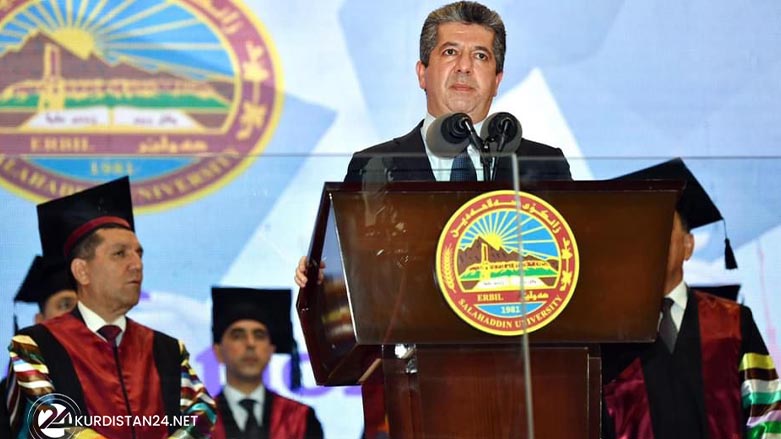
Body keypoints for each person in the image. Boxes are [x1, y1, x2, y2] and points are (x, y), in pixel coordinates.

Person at [5, 176, 216, 439]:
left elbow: (203, 412)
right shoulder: (34, 347)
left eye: (139, 253)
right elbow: (46, 422)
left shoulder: (168, 350)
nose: (136, 264)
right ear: (82, 271)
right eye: (120, 253)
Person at [602, 158, 780, 438]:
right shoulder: (610, 333)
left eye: (661, 226)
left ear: (688, 245)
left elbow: (766, 417)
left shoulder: (732, 324)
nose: (648, 239)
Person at [343, 0, 572, 184]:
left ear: (496, 81)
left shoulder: (545, 166)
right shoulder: (373, 166)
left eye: (480, 56)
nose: (464, 66)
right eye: (450, 52)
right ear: (422, 73)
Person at [211, 287, 323, 439]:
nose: (250, 343)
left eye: (259, 335)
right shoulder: (196, 421)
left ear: (271, 350)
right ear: (218, 351)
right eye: (237, 335)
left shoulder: (300, 418)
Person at [1, 256, 77, 437]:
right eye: (65, 305)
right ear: (40, 321)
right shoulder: (14, 394)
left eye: (84, 308)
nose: (75, 316)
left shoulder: (116, 381)